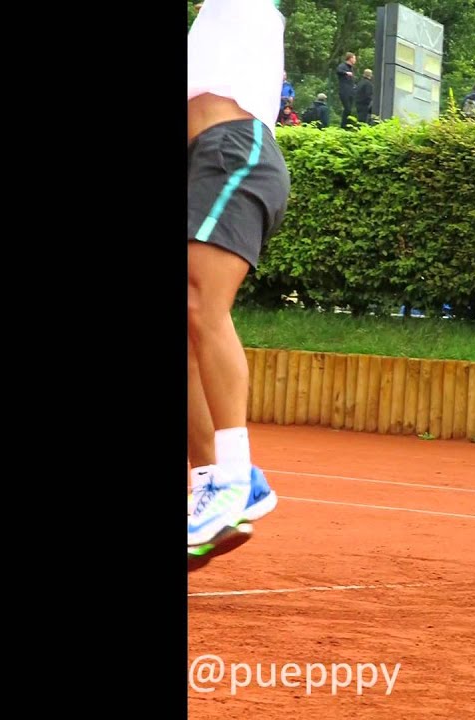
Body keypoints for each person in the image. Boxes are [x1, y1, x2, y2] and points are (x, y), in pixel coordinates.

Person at [187, 0, 286, 563]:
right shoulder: (207, 33)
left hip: (235, 151)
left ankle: (233, 474)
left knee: (202, 304)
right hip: (204, 157)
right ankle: (212, 487)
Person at [336, 52, 357, 128]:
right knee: (347, 108)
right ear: (350, 58)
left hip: (351, 91)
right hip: (344, 91)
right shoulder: (343, 66)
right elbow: (338, 70)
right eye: (354, 58)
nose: (355, 60)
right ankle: (343, 126)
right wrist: (346, 73)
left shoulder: (351, 68)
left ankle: (347, 125)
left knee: (349, 109)